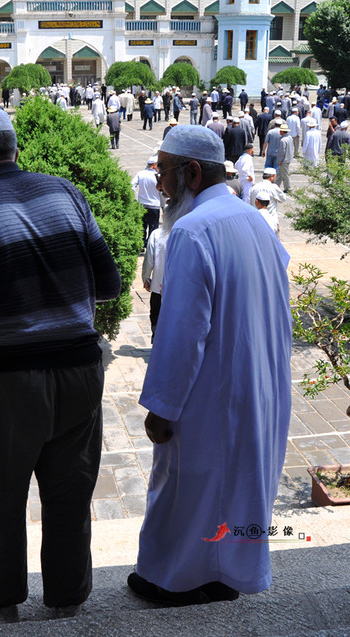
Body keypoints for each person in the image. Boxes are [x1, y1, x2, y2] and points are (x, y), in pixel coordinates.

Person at [0, 105, 121, 623]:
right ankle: (66, 602)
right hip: (81, 373)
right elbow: (109, 286)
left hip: (6, 384)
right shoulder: (68, 193)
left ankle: (1, 605)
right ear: (14, 150)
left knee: (0, 499)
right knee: (69, 494)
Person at [128, 124, 292, 607]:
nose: (158, 182)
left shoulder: (193, 230)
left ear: (192, 173)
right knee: (236, 487)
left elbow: (181, 333)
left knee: (189, 490)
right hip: (257, 384)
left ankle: (174, 582)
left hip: (210, 395)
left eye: (163, 171)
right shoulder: (253, 221)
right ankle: (227, 574)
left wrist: (161, 406)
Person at [142, 226, 168, 343]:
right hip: (180, 289)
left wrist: (146, 278)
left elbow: (149, 260)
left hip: (158, 285)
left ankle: (156, 343)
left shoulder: (157, 234)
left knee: (156, 316)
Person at [132, 155, 161, 243]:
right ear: (154, 165)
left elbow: (132, 186)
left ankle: (142, 243)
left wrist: (134, 199)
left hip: (142, 204)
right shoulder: (158, 176)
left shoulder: (140, 174)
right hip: (154, 205)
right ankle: (150, 244)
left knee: (142, 226)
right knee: (153, 227)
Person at [249, 167, 286, 236]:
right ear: (271, 176)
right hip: (271, 220)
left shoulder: (255, 187)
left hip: (256, 219)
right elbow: (283, 198)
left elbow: (251, 201)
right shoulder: (273, 187)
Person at [276, 123, 294, 193]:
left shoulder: (283, 140)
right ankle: (276, 186)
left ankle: (287, 188)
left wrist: (279, 161)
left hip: (284, 160)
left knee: (285, 175)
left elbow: (281, 152)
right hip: (288, 158)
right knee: (279, 174)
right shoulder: (289, 137)